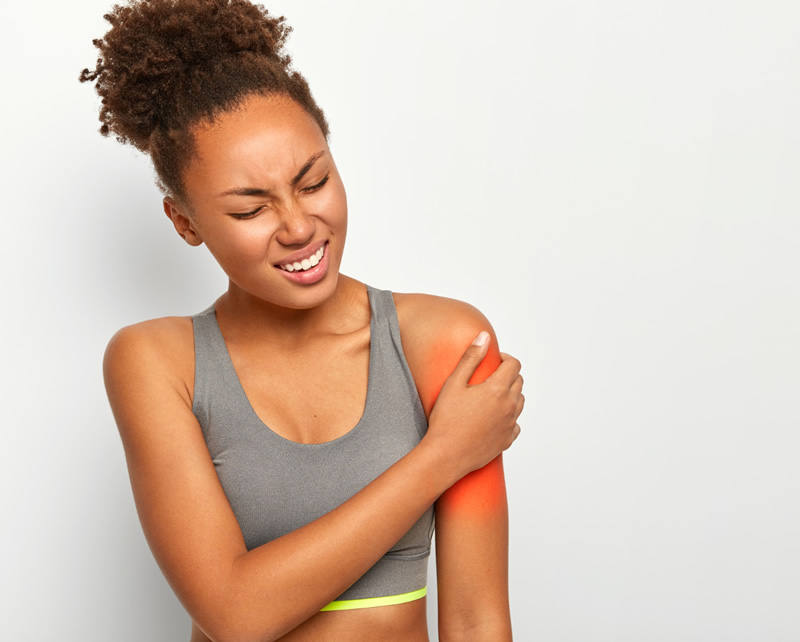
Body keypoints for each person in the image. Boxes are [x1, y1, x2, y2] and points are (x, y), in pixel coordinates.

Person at [81, 1, 525, 640]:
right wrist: (443, 455)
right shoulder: (158, 362)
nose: (297, 227)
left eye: (313, 182)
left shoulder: (445, 342)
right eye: (250, 210)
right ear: (184, 222)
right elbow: (235, 614)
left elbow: (476, 621)